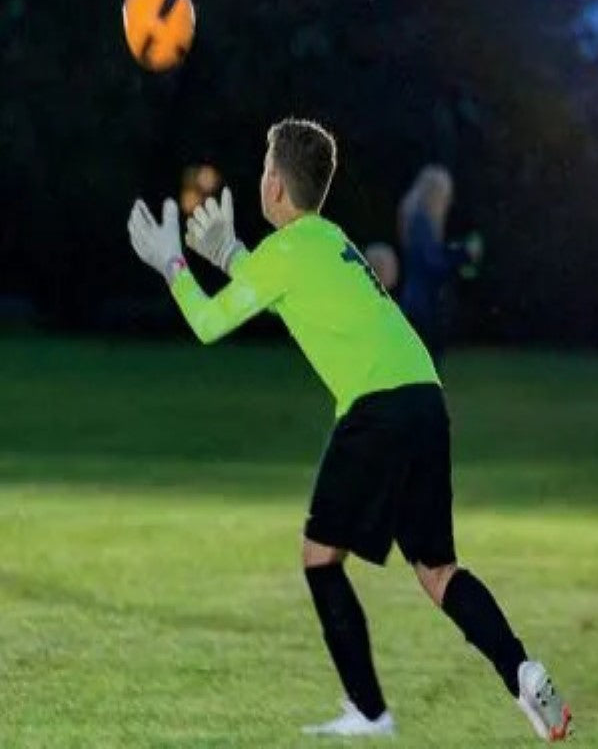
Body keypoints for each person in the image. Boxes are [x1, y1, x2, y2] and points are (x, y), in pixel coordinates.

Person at [127, 118, 571, 742]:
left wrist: (171, 262)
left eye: (263, 170)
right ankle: (521, 670)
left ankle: (369, 712)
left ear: (276, 187)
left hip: (376, 410)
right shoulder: (330, 239)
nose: (261, 180)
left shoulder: (287, 252)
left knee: (319, 556)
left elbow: (206, 322)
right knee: (438, 569)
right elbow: (291, 294)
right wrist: (228, 255)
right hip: (425, 398)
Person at [398, 166, 482, 368]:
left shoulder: (417, 219)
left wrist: (459, 252)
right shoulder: (421, 221)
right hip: (423, 306)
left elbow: (433, 256)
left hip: (417, 302)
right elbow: (433, 265)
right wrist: (464, 255)